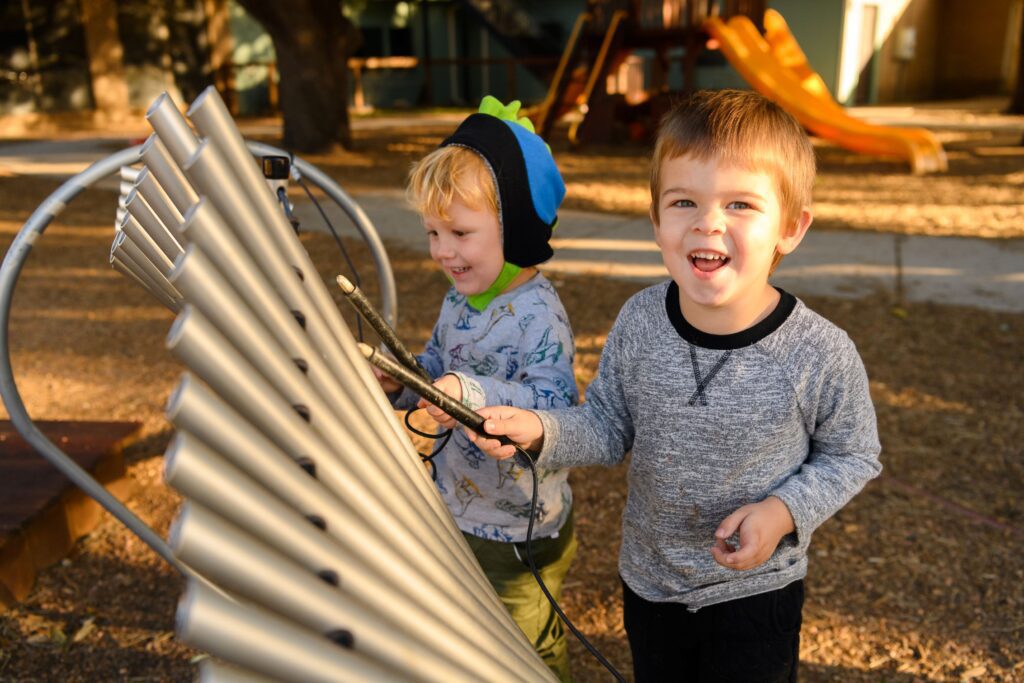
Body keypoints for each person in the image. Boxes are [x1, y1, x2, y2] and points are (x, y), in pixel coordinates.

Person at [465, 89, 883, 682]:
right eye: (684, 201)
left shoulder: (818, 352)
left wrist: (783, 511)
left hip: (754, 597)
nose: (708, 221)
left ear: (790, 227)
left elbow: (853, 454)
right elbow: (608, 427)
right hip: (650, 585)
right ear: (658, 221)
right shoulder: (640, 320)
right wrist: (539, 431)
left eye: (741, 204)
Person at [373, 96, 579, 681]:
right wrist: (405, 379)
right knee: (473, 634)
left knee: (526, 646)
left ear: (515, 225)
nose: (442, 251)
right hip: (460, 507)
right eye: (433, 232)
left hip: (520, 527)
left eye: (460, 232)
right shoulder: (460, 296)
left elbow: (557, 410)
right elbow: (442, 365)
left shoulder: (539, 315)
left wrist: (471, 391)